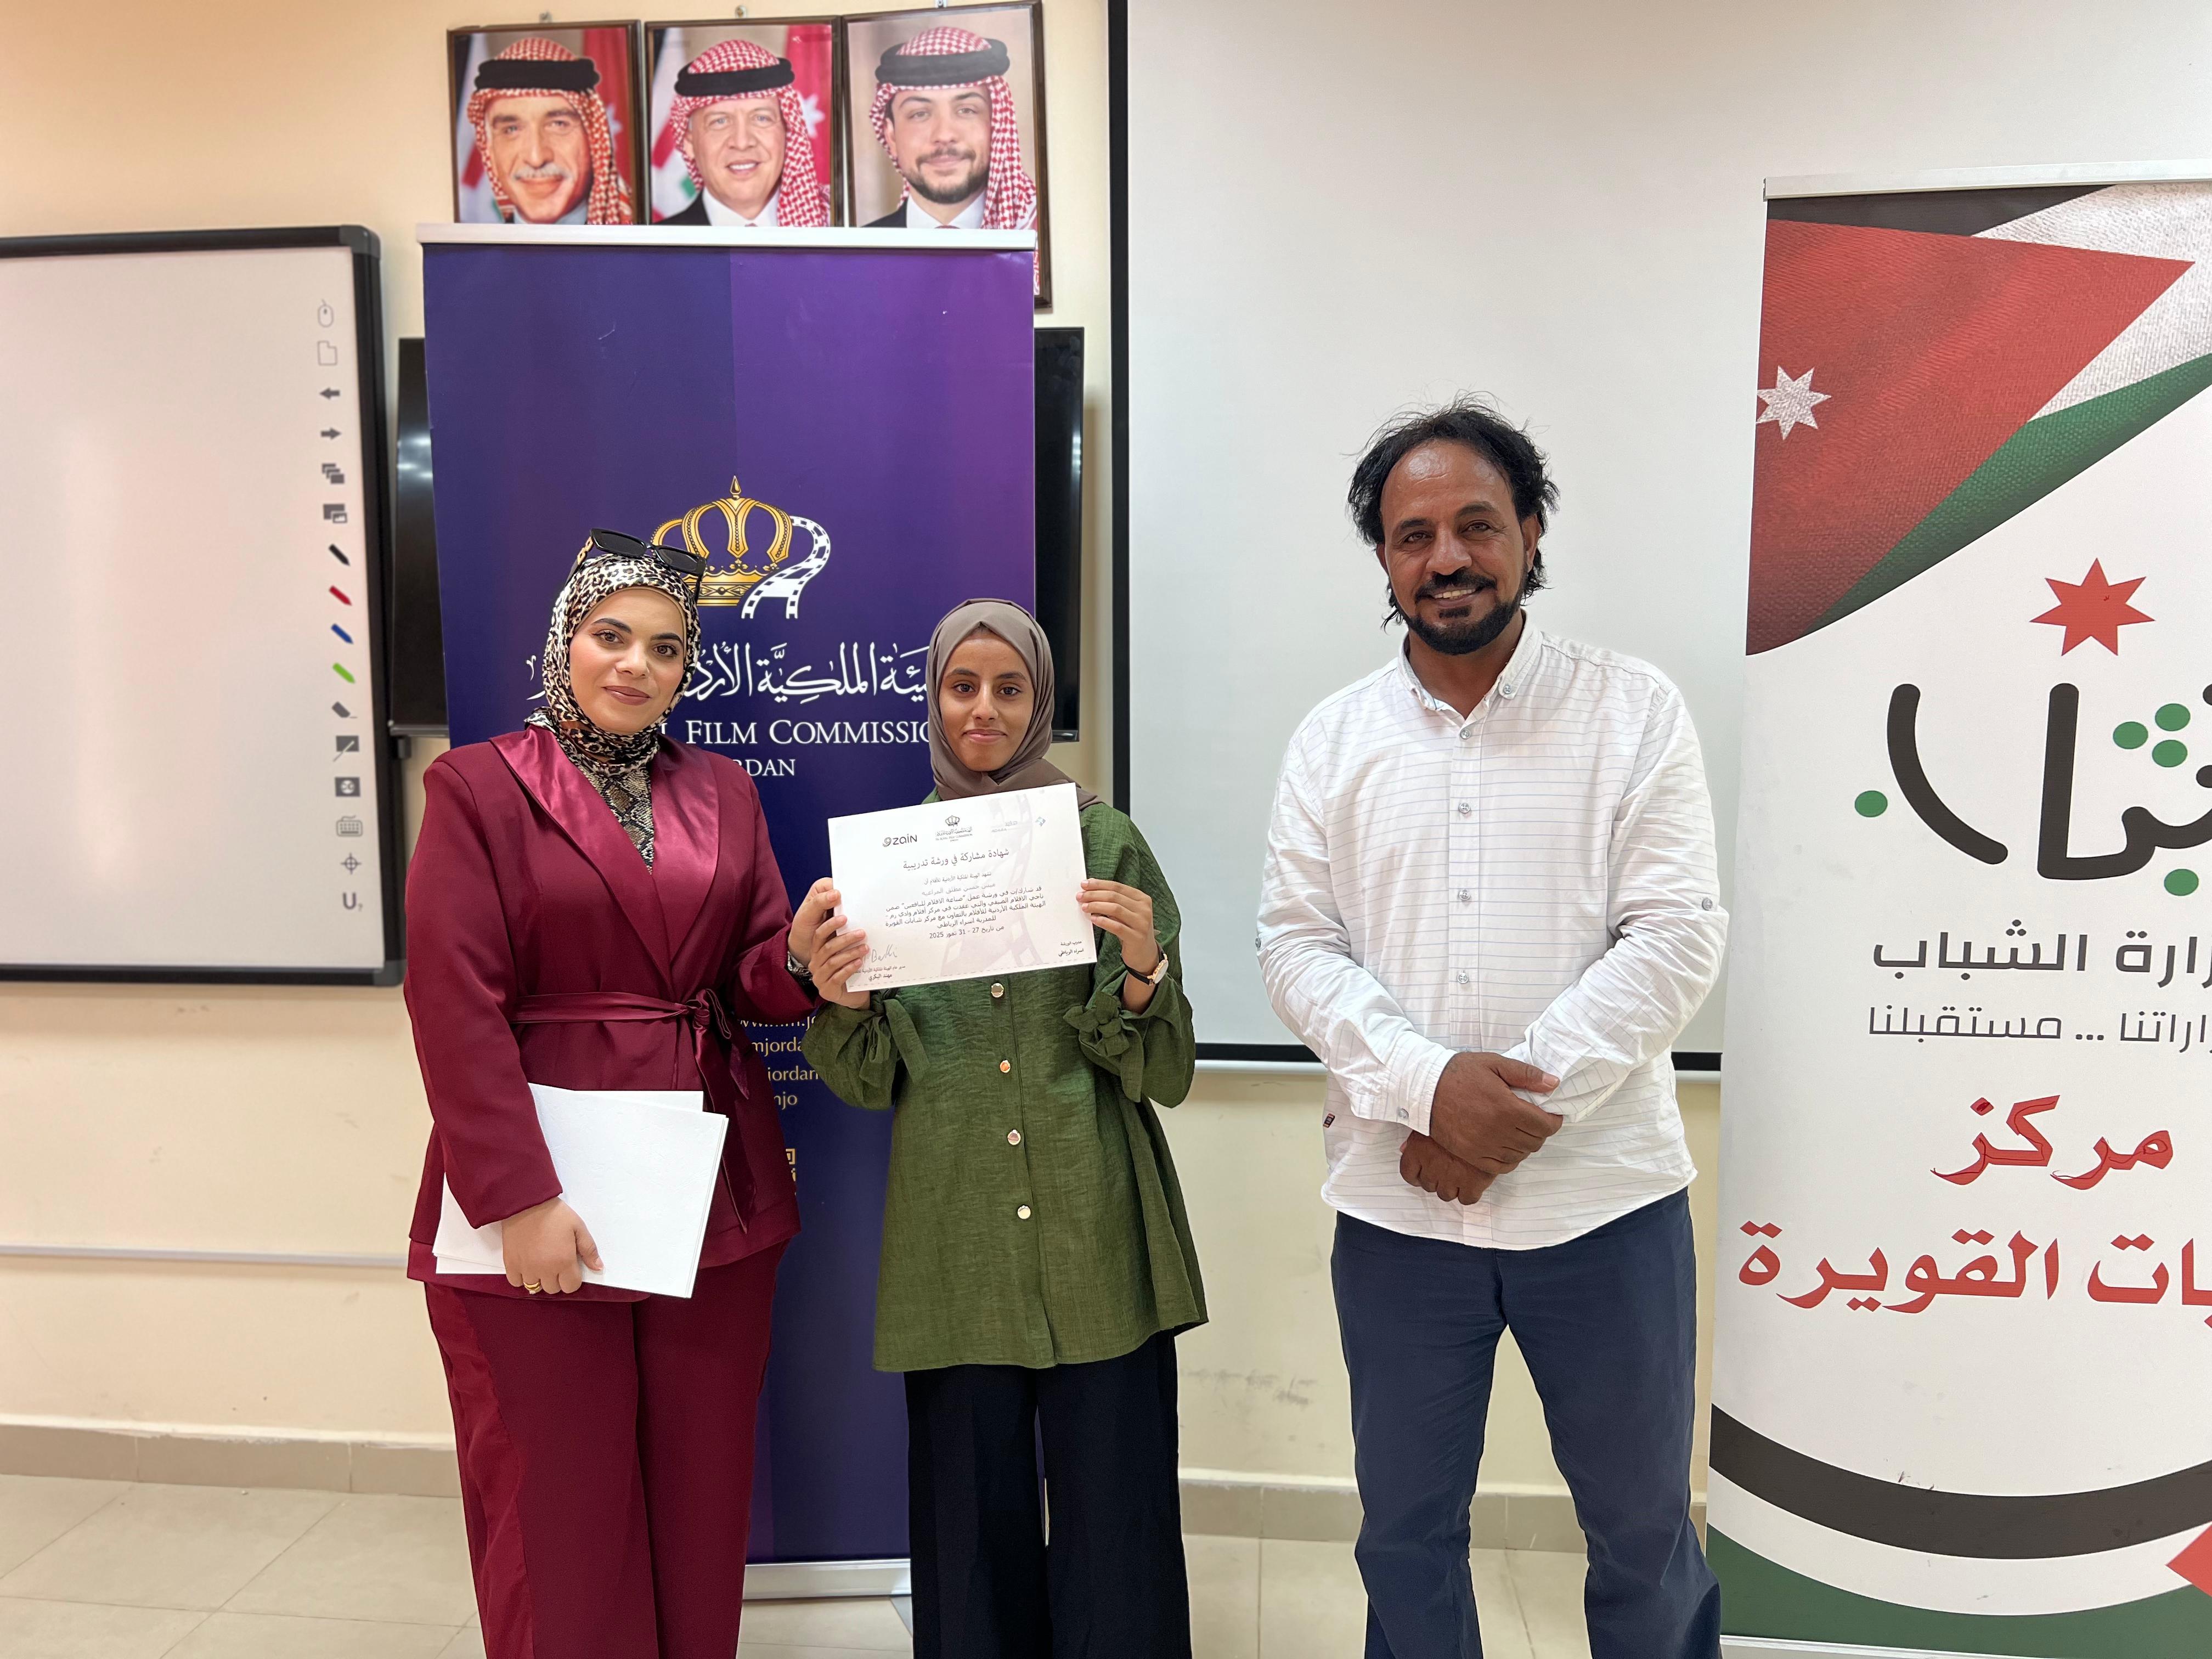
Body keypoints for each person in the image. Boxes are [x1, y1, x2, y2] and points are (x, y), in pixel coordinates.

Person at [1256, 400, 1728, 1659]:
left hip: (1606, 1208)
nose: (1448, 557)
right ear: (1384, 559)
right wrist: (1429, 1089)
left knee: (1643, 1531)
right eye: (1414, 536)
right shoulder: (1333, 741)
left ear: (1531, 532)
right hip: (1399, 1211)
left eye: (1477, 524)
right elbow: (1294, 946)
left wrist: (1496, 1118)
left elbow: (1675, 937)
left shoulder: (1632, 711)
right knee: (1405, 1536)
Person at [404, 529, 831, 1659]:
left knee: (701, 1497)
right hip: (549, 1192)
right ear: (564, 640)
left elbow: (750, 972)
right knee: (559, 1510)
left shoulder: (725, 791)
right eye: (611, 635)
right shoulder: (476, 787)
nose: (637, 664)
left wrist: (805, 964)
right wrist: (518, 1200)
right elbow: (453, 1004)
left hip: (709, 1192)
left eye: (665, 647)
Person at [799, 599, 1204, 1658]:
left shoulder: (1104, 841)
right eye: (961, 685)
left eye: (1009, 687)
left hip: (1094, 1222)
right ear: (933, 698)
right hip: (957, 1234)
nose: (983, 708)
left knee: (1116, 1514)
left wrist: (1144, 967)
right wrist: (839, 997)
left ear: (1042, 702)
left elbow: (1165, 1071)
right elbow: (865, 1081)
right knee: (967, 1524)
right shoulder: (889, 864)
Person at [864, 26, 1039, 233]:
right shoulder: (855, 252)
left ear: (997, 126)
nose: (944, 135)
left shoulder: (1046, 239)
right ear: (891, 136)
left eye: (966, 110)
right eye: (920, 114)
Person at [657, 37, 831, 228]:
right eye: (720, 121)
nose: (742, 142)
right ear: (689, 144)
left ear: (787, 133)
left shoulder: (835, 230)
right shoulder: (656, 245)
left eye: (761, 118)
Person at [465, 37, 634, 225]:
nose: (536, 159)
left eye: (559, 125)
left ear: (594, 140)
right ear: (490, 151)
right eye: (511, 130)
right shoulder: (471, 246)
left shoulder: (639, 240)